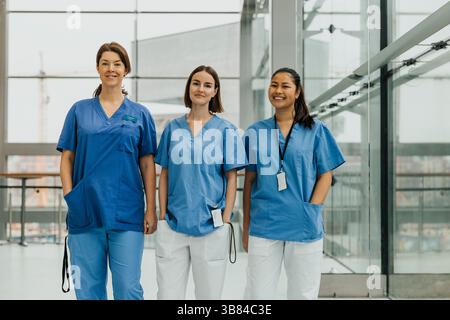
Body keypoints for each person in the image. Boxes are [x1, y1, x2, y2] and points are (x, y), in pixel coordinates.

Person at [57, 42, 157, 300]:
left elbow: (147, 164)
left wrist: (150, 208)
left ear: (126, 70)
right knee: (88, 289)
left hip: (127, 211)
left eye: (117, 64)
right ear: (98, 68)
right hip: (85, 209)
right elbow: (67, 158)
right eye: (105, 63)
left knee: (128, 288)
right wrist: (71, 197)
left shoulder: (140, 114)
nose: (110, 69)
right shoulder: (79, 110)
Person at [242, 67, 345, 300]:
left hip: (303, 223)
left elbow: (325, 175)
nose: (278, 91)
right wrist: (246, 224)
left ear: (297, 92)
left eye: (285, 86)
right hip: (264, 224)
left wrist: (311, 209)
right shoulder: (254, 132)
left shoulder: (315, 129)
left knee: (303, 294)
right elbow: (249, 180)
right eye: (274, 85)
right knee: (258, 295)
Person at [155, 65, 246, 299]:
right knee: (168, 294)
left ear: (215, 91)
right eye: (196, 83)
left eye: (207, 85)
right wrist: (162, 214)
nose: (201, 89)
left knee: (208, 296)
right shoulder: (172, 128)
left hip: (211, 225)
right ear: (189, 87)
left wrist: (225, 219)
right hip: (174, 222)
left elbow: (231, 175)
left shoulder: (226, 130)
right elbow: (164, 173)